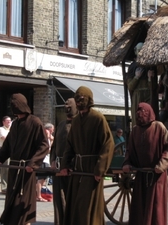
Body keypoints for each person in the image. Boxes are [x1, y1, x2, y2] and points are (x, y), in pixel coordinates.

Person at [0, 93, 49, 225]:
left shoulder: (35, 122)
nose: (13, 106)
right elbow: (7, 147)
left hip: (26, 171)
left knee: (23, 202)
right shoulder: (15, 125)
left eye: (16, 103)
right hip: (14, 170)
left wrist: (33, 163)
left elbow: (44, 145)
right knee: (12, 200)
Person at [59, 86, 115, 225]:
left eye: (82, 98)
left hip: (92, 170)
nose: (79, 101)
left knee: (88, 207)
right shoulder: (76, 121)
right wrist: (65, 165)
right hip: (78, 170)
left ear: (89, 99)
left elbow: (108, 144)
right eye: (77, 98)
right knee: (75, 205)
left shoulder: (98, 118)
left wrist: (100, 169)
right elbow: (70, 146)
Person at [122, 102, 168, 225]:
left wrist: (161, 166)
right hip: (141, 175)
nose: (140, 115)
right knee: (140, 207)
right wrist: (127, 163)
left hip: (156, 176)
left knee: (156, 207)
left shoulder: (159, 127)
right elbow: (130, 151)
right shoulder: (135, 131)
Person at [50, 98, 78, 225]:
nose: (67, 108)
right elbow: (54, 146)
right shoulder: (61, 124)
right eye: (65, 106)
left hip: (73, 168)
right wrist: (52, 160)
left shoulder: (79, 125)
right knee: (59, 199)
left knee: (71, 199)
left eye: (70, 106)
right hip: (59, 166)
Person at [127, 42, 155, 126]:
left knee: (148, 118)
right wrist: (136, 77)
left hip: (147, 95)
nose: (140, 52)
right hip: (137, 96)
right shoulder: (132, 67)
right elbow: (130, 86)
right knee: (137, 118)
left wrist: (150, 78)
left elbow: (153, 87)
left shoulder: (149, 65)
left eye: (142, 50)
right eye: (138, 50)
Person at [36, 123, 54, 202]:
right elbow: (47, 150)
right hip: (43, 161)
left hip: (46, 160)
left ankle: (38, 195)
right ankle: (38, 196)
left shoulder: (48, 139)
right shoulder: (43, 140)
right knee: (41, 179)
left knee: (42, 179)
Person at [0, 116, 12, 194]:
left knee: (11, 169)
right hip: (4, 151)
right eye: (7, 121)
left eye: (10, 121)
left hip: (12, 151)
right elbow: (4, 138)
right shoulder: (1, 129)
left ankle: (10, 186)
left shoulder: (12, 129)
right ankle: (4, 187)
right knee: (5, 169)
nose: (9, 122)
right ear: (3, 122)